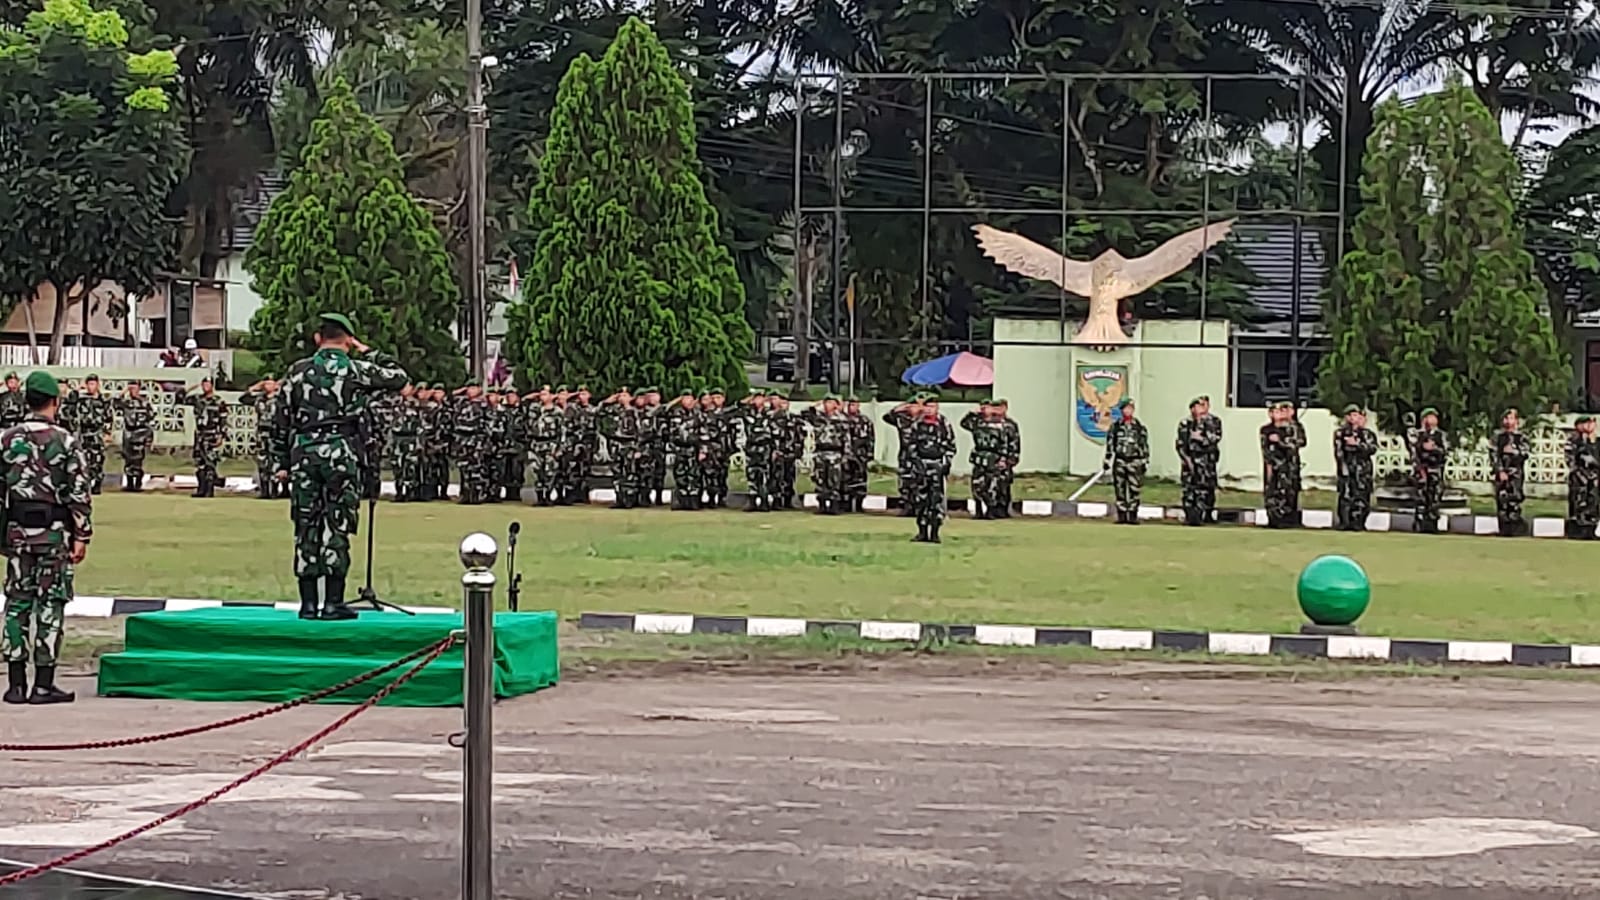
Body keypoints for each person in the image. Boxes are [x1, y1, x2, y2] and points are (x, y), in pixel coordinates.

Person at [269, 313, 406, 620]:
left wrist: (280, 462)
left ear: (318, 338)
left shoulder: (298, 371)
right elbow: (398, 376)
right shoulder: (356, 369)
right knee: (338, 526)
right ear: (347, 339)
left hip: (304, 456)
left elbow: (279, 420)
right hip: (341, 455)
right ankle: (333, 602)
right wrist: (367, 350)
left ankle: (307, 604)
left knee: (306, 526)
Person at [0, 372, 92, 705]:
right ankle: (43, 683)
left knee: (16, 604)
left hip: (18, 535)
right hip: (54, 535)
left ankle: (14, 685)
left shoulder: (6, 439)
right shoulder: (65, 441)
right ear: (54, 401)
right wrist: (82, 534)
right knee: (50, 605)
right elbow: (78, 491)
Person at [903, 393, 956, 543]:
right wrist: (916, 463)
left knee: (936, 501)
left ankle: (934, 532)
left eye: (932, 407)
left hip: (937, 465)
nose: (929, 410)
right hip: (921, 466)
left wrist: (945, 464)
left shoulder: (944, 424)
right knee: (921, 501)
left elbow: (951, 446)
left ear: (937, 408)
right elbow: (910, 445)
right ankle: (922, 532)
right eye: (926, 406)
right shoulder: (917, 424)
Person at [61, 374, 112, 495]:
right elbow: (70, 403)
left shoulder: (103, 401)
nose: (90, 387)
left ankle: (97, 483)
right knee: (84, 459)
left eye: (93, 384)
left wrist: (107, 434)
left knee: (98, 459)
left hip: (97, 433)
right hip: (84, 433)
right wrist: (78, 388)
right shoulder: (82, 400)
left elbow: (109, 418)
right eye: (88, 384)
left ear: (98, 385)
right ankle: (86, 483)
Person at [1175, 395, 1222, 526]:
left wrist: (1201, 439)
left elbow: (1215, 438)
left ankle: (1206, 514)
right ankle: (1191, 516)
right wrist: (1186, 459)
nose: (1202, 408)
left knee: (1207, 488)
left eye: (1204, 405)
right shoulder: (1186, 423)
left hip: (1207, 461)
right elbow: (1180, 444)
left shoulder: (1214, 421)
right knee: (1189, 488)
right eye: (1198, 406)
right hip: (1190, 460)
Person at [802, 393, 851, 515]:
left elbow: (846, 438)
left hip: (835, 452)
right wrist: (815, 404)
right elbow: (804, 413)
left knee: (833, 480)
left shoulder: (841, 419)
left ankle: (834, 505)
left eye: (830, 402)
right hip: (820, 451)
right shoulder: (818, 418)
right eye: (826, 402)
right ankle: (822, 505)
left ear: (835, 404)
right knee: (820, 479)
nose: (827, 405)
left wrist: (846, 455)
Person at [180, 378, 228, 498]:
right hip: (200, 435)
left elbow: (224, 420)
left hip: (212, 435)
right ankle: (201, 489)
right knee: (200, 464)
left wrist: (221, 436)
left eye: (208, 384)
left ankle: (209, 490)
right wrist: (191, 387)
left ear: (212, 385)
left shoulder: (218, 401)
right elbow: (180, 397)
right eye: (204, 384)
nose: (205, 386)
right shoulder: (197, 399)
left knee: (210, 464)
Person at [1332, 404, 1378, 531]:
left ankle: (1359, 522)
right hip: (1347, 470)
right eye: (1352, 415)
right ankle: (1345, 522)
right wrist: (1343, 469)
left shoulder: (1367, 434)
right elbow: (1339, 453)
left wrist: (1357, 444)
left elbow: (1372, 449)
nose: (1355, 419)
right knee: (1346, 496)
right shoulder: (1340, 433)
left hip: (1363, 472)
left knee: (1362, 496)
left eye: (1357, 415)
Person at [1260, 402, 1304, 528]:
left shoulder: (1292, 428)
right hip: (1273, 466)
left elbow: (1298, 443)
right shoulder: (1266, 430)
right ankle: (1274, 519)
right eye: (1275, 412)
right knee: (1272, 492)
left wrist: (1280, 441)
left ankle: (1289, 519)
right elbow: (1265, 449)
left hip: (1289, 466)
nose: (1279, 414)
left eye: (1281, 411)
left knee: (1289, 491)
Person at [240, 377, 286, 499]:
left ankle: (275, 491)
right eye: (265, 383)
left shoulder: (279, 399)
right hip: (262, 435)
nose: (267, 386)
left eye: (270, 383)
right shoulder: (259, 399)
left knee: (275, 463)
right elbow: (243, 399)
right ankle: (265, 491)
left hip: (275, 434)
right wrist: (254, 387)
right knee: (262, 463)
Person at [1104, 399, 1148, 525]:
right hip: (1120, 461)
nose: (1128, 411)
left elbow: (1144, 444)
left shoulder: (1139, 426)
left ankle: (1133, 515)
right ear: (1121, 410)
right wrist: (1107, 459)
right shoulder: (1116, 426)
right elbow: (1110, 444)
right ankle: (1122, 515)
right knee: (1120, 489)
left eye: (1130, 408)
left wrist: (1145, 460)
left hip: (1134, 461)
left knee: (1134, 489)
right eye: (1126, 408)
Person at [961, 400, 1008, 520]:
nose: (984, 410)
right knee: (977, 485)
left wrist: (1003, 459)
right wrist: (972, 413)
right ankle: (978, 510)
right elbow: (964, 423)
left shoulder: (999, 425)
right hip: (979, 457)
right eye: (982, 408)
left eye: (986, 408)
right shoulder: (977, 423)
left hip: (993, 457)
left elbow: (1004, 443)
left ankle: (990, 510)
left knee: (991, 486)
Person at [600, 387, 642, 508]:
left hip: (629, 444)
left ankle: (630, 499)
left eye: (625, 395)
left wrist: (638, 448)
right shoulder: (613, 410)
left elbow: (640, 431)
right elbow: (598, 412)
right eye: (620, 396)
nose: (622, 398)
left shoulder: (634, 412)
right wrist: (607, 401)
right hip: (616, 444)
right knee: (617, 473)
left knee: (630, 472)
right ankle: (619, 498)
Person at [1492, 408, 1531, 537]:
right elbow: (1493, 455)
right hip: (1501, 474)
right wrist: (1500, 470)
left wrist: (1514, 452)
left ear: (1516, 420)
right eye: (1506, 418)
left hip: (1516, 474)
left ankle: (1515, 527)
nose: (1508, 421)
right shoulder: (1498, 437)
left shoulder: (1521, 437)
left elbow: (1526, 453)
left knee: (1514, 500)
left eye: (1511, 418)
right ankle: (1503, 528)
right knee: (1502, 500)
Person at [1411, 407, 1449, 534]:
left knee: (1434, 499)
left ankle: (1432, 525)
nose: (1430, 420)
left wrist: (1434, 449)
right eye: (1427, 417)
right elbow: (1413, 453)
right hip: (1422, 471)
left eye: (1433, 417)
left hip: (1435, 471)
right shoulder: (1417, 435)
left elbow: (1445, 452)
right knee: (1421, 499)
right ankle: (1419, 524)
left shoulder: (1441, 435)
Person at [666, 390, 706, 510]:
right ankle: (681, 501)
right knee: (680, 475)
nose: (687, 402)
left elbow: (703, 433)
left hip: (693, 449)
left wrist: (703, 450)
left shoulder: (698, 414)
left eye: (689, 399)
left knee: (694, 475)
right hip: (679, 449)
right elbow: (665, 410)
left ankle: (693, 501)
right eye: (685, 399)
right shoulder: (675, 413)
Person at [884, 397, 923, 516]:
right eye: (910, 405)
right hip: (905, 455)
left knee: (920, 481)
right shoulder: (902, 419)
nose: (912, 408)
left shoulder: (924, 419)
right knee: (905, 481)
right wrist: (900, 407)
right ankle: (907, 506)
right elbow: (887, 417)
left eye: (915, 405)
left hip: (920, 455)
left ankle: (919, 507)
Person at [115, 381, 156, 492]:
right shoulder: (126, 402)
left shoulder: (144, 403)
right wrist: (124, 391)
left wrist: (150, 438)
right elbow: (115, 402)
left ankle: (138, 483)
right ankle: (129, 484)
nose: (133, 390)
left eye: (135, 388)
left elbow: (151, 419)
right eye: (131, 388)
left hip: (140, 433)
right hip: (129, 433)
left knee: (137, 460)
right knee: (128, 459)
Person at [740, 390, 775, 511]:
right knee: (751, 474)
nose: (758, 401)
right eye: (756, 398)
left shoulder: (769, 413)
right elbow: (738, 406)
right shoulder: (748, 412)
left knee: (764, 475)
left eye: (761, 398)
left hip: (764, 448)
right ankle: (752, 501)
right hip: (751, 447)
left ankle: (764, 501)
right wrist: (749, 399)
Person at [389, 384, 425, 502]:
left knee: (410, 467)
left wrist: (419, 443)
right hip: (397, 439)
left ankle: (410, 492)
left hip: (411, 439)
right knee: (397, 466)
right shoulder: (395, 403)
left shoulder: (416, 404)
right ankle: (399, 492)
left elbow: (421, 425)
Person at [1566, 415, 1599, 540]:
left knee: (1593, 502)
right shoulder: (1574, 441)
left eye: (1591, 423)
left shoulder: (1597, 441)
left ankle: (1591, 528)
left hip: (1594, 479)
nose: (1589, 426)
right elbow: (1570, 460)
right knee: (1578, 502)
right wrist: (1579, 473)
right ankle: (1577, 529)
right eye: (1586, 423)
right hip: (1579, 478)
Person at [844, 396, 874, 512]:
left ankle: (859, 503)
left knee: (860, 479)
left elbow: (871, 438)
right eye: (850, 404)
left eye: (854, 404)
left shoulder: (865, 420)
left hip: (861, 454)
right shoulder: (843, 419)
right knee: (846, 479)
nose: (852, 407)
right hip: (847, 454)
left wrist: (869, 454)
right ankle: (846, 504)